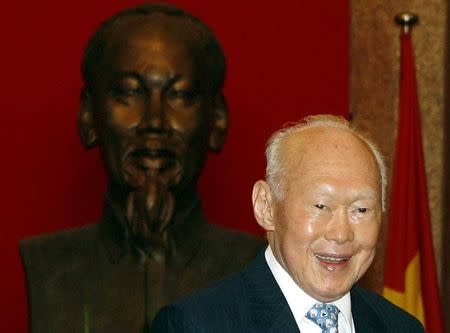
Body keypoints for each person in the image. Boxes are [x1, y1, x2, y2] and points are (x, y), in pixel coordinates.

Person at [19, 4, 265, 333]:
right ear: (89, 115)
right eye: (130, 93)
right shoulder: (49, 267)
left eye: (180, 95)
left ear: (217, 119)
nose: (154, 122)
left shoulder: (262, 270)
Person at [150, 114, 424, 332]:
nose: (341, 234)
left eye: (361, 209)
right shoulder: (194, 325)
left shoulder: (401, 326)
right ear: (266, 206)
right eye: (321, 206)